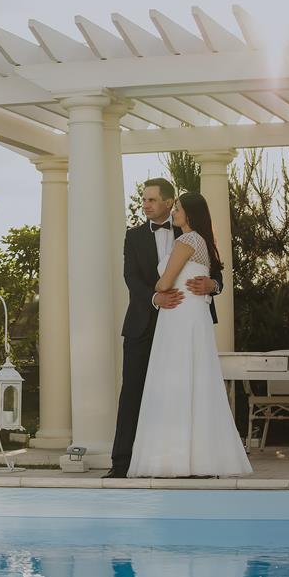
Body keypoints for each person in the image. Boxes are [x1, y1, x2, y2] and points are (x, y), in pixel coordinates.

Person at [126, 192, 252, 478]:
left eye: (179, 209)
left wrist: (163, 286)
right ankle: (197, 459)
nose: (174, 213)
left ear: (189, 214)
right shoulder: (203, 241)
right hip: (191, 316)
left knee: (176, 382)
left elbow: (164, 283)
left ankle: (174, 459)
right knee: (194, 381)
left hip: (179, 316)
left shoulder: (186, 241)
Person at [105, 178, 223, 479]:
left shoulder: (191, 233)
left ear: (170, 203)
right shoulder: (133, 236)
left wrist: (213, 285)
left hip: (184, 323)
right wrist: (155, 298)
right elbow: (131, 277)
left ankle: (186, 461)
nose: (145, 205)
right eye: (144, 199)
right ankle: (122, 464)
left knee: (184, 391)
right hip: (143, 324)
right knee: (132, 392)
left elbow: (216, 272)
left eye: (151, 200)